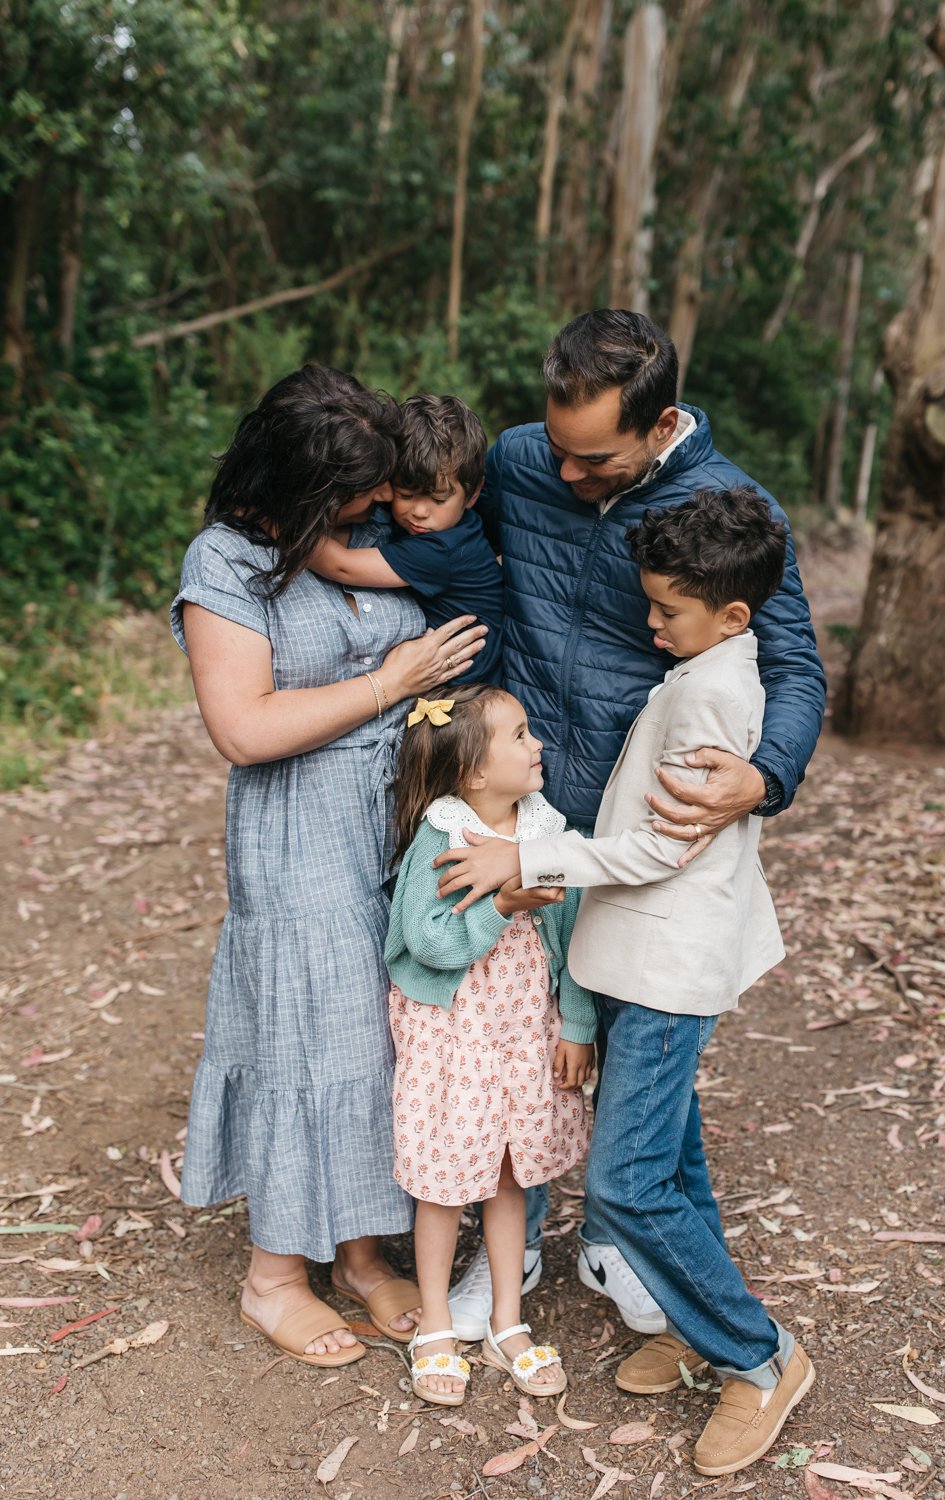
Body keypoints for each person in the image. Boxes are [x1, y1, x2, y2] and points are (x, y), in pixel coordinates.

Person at [445, 310, 827, 1357]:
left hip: (627, 825)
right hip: (513, 799)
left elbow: (791, 667)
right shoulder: (526, 460)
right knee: (495, 1022)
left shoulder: (729, 511)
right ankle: (502, 1239)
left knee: (618, 1031)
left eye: (594, 458)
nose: (563, 474)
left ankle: (620, 1241)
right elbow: (440, 539)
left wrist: (762, 774)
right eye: (554, 447)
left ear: (661, 423)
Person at [170, 365, 487, 1368]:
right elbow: (244, 728)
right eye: (351, 497)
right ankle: (273, 1276)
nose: (369, 509)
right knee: (310, 1035)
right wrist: (392, 681)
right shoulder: (223, 562)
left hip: (394, 820)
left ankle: (357, 1252)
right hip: (297, 821)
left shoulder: (362, 541)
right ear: (299, 482)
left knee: (383, 1038)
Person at [383, 685, 597, 1405]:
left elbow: (570, 934)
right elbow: (430, 943)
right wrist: (502, 904)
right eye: (520, 735)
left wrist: (576, 1021)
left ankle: (508, 1321)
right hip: (456, 1036)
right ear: (474, 773)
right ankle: (436, 1324)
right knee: (447, 1183)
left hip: (522, 1033)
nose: (538, 744)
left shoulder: (549, 833)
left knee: (512, 1175)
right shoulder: (440, 841)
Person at [306, 393, 503, 684]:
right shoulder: (451, 525)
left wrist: (282, 522)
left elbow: (341, 565)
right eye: (406, 495)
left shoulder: (441, 550)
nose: (419, 512)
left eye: (437, 499)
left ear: (473, 494)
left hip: (465, 690)